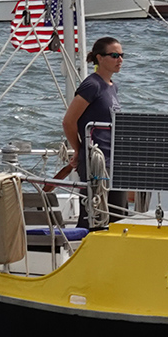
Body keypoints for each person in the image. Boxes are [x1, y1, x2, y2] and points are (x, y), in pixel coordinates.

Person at [61, 37, 125, 209]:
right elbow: (69, 121)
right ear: (99, 58)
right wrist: (79, 149)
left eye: (121, 55)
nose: (120, 60)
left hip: (113, 160)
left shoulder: (112, 86)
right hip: (96, 162)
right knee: (94, 214)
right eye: (114, 55)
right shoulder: (92, 85)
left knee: (117, 213)